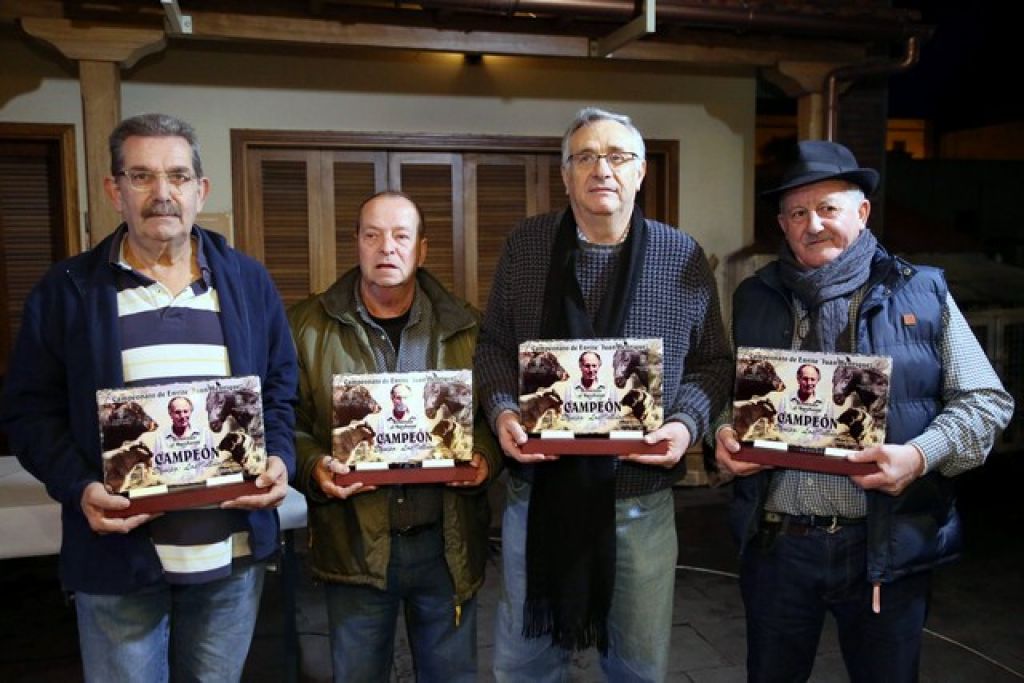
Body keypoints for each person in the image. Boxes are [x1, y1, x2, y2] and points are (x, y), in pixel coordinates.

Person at [1, 113, 297, 682]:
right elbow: (28, 412)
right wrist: (80, 486)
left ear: (200, 190)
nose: (163, 193)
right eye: (141, 176)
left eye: (177, 176)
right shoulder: (67, 291)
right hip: (118, 558)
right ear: (115, 190)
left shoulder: (248, 282)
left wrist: (280, 456)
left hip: (230, 555)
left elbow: (281, 390)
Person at [715, 140, 1014, 682]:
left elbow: (986, 402)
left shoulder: (922, 292)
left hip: (883, 548)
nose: (813, 225)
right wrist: (724, 435)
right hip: (780, 548)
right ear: (782, 225)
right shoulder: (754, 296)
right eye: (797, 213)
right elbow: (731, 397)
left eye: (827, 208)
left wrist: (919, 456)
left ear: (863, 212)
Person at [475, 107, 733, 682]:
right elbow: (493, 345)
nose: (602, 169)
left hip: (638, 499)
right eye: (585, 157)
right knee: (525, 667)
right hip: (538, 496)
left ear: (640, 172)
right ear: (565, 175)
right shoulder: (526, 246)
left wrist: (685, 425)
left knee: (637, 669)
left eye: (618, 156)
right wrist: (503, 411)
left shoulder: (681, 256)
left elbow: (715, 362)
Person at [288, 190, 501, 682]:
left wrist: (485, 457)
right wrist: (315, 466)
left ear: (421, 249)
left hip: (446, 544)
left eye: (401, 236)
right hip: (355, 544)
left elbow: (493, 414)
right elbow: (286, 422)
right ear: (357, 244)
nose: (387, 247)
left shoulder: (468, 326)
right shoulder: (305, 327)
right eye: (373, 235)